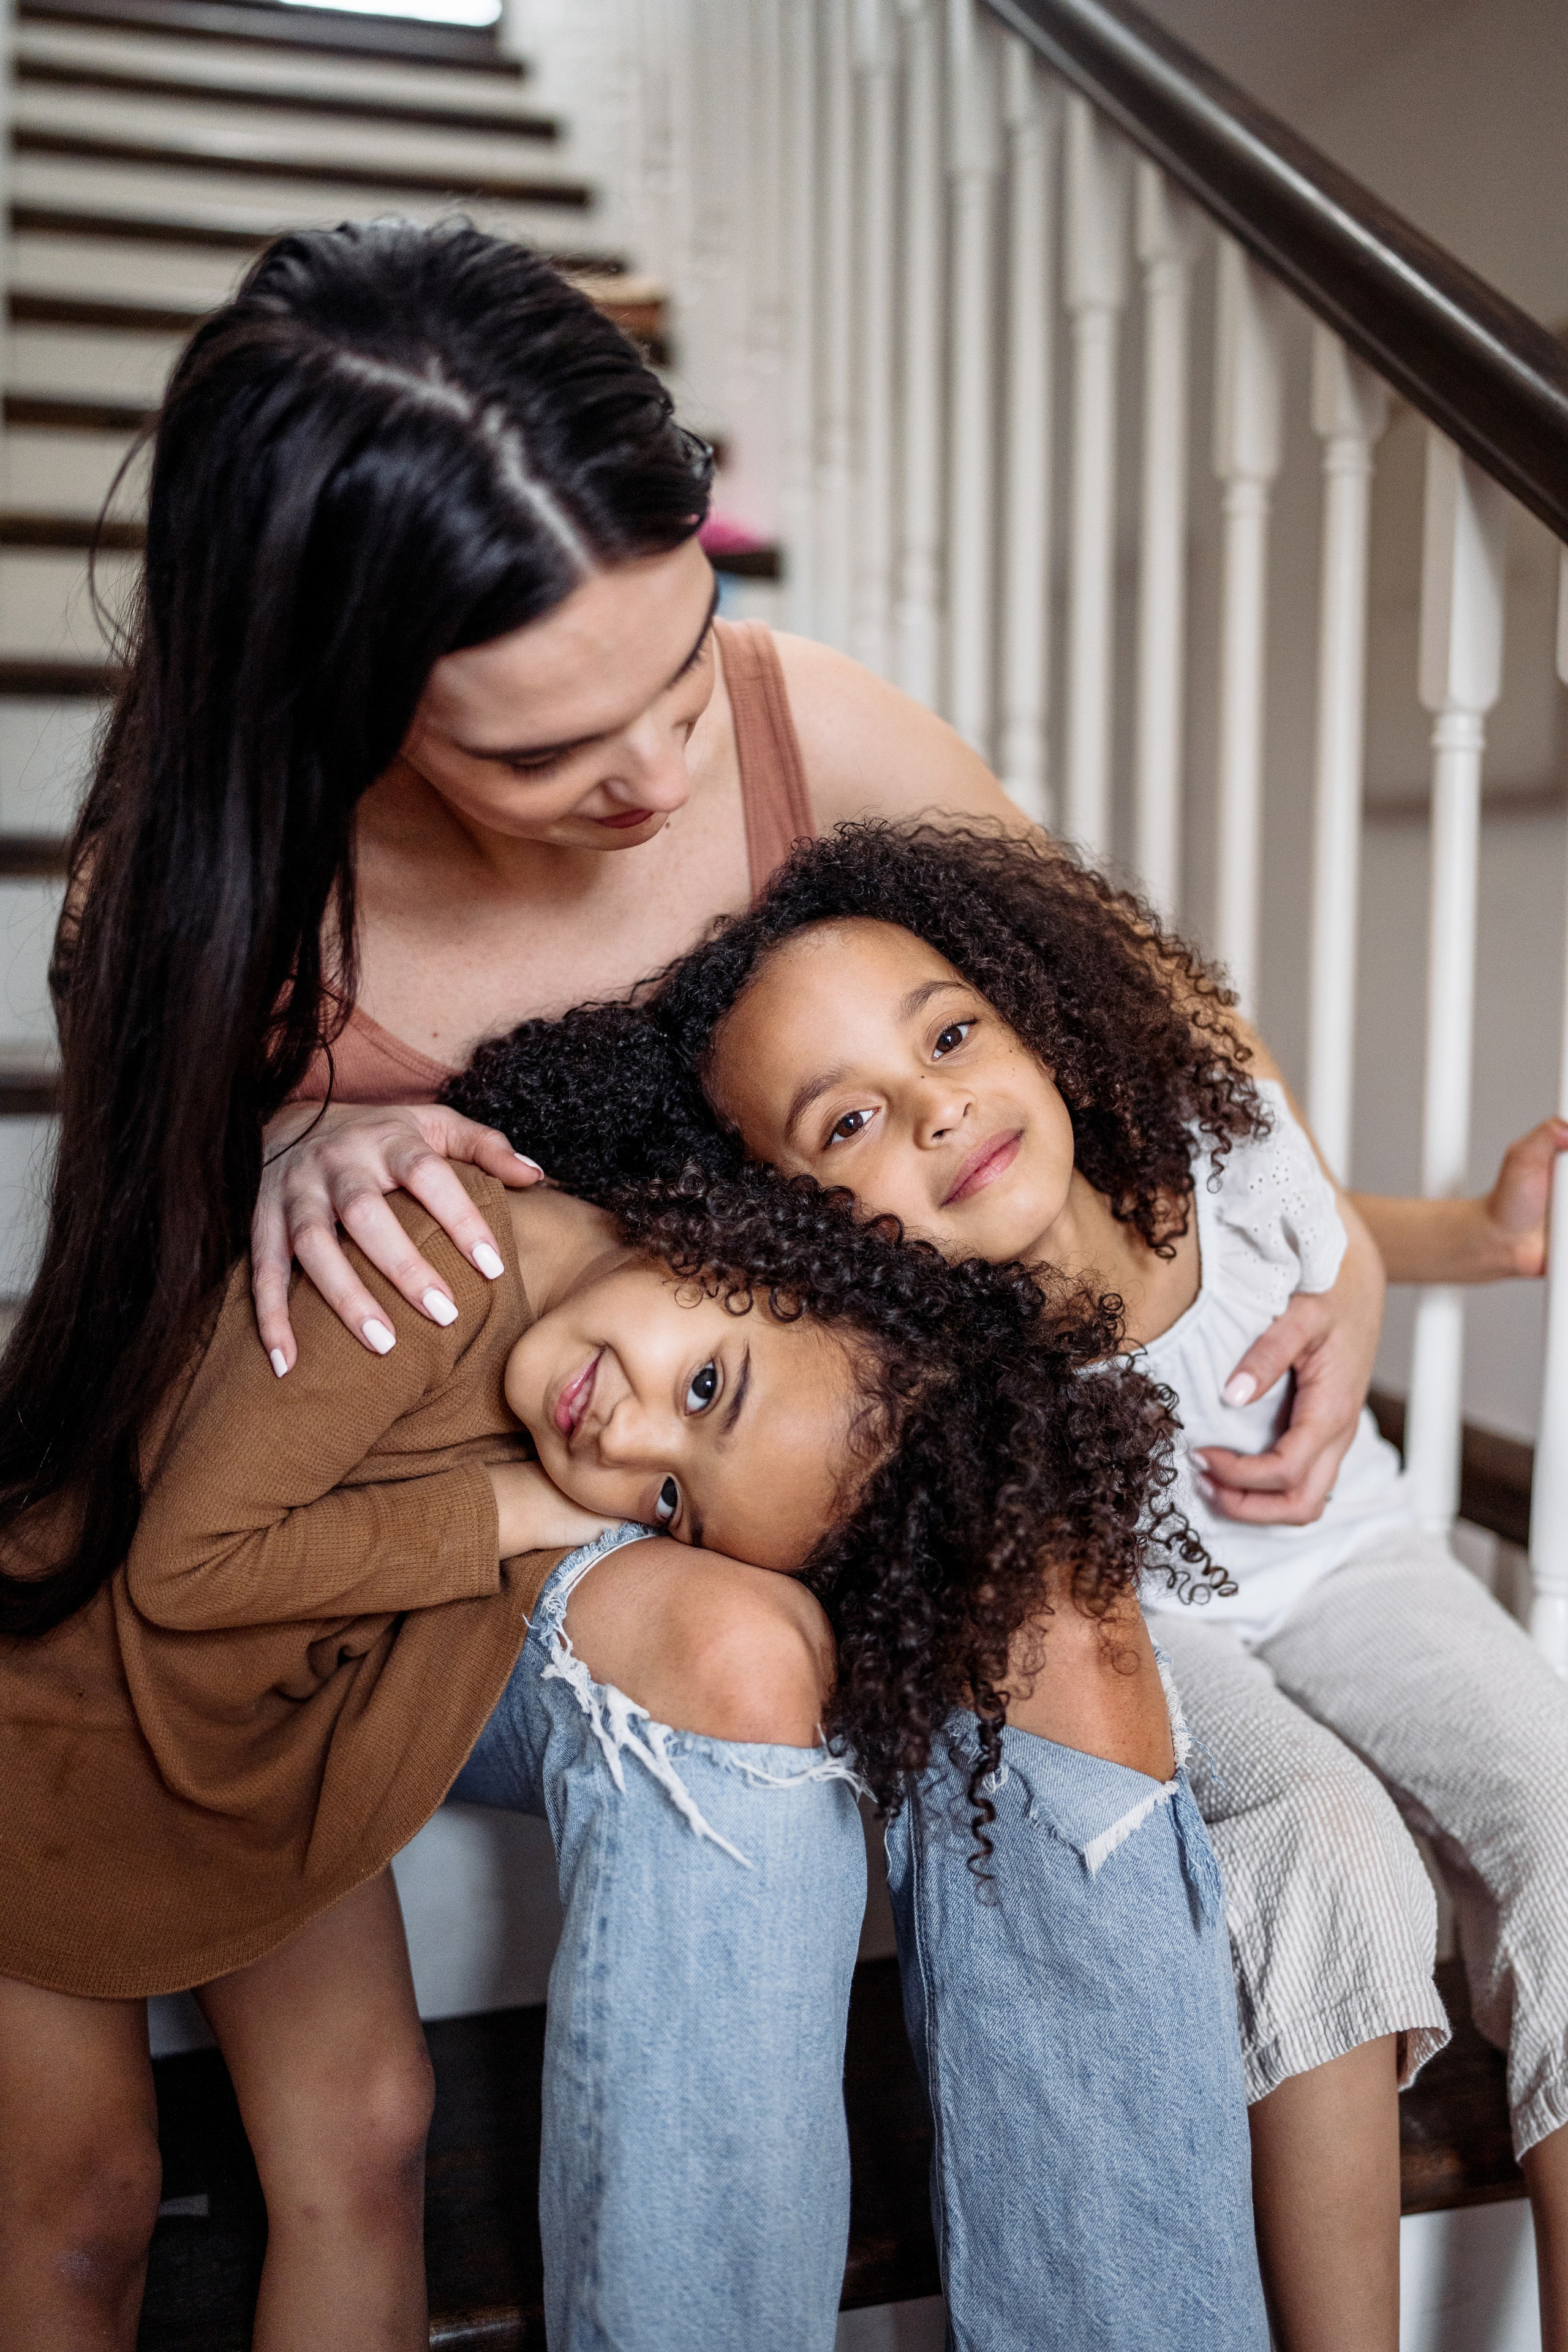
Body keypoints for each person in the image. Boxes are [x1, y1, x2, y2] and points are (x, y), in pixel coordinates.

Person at [0, 216, 1335, 2346]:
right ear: (334, 689)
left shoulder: (819, 728)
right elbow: (186, 1425)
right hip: (445, 1529)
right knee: (724, 1642)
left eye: (681, 665)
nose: (649, 778)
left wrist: (1324, 1249)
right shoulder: (201, 897)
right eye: (539, 752)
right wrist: (277, 1144)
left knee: (1052, 1600)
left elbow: (1151, 1031)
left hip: (773, 1452)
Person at [459, 818, 1568, 2352]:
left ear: (1028, 1015)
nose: (934, 1109)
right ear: (796, 1234)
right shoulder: (926, 1384)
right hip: (1178, 1626)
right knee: (1327, 1848)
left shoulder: (1206, 1141)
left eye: (951, 1035)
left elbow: (1324, 1235)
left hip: (1355, 1557)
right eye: (846, 1125)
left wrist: (1483, 1241)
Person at [1, 1155, 1144, 2348]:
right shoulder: (423, 1258)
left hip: (256, 1741)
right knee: (90, 2204)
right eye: (706, 1388)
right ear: (757, 1254)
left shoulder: (590, 1350)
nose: (625, 1441)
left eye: (664, 1502)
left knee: (374, 2132)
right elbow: (189, 1568)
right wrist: (528, 1513)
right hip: (53, 1716)